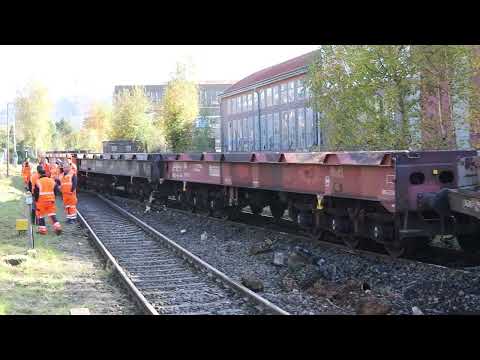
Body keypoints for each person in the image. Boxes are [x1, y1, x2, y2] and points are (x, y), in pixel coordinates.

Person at [34, 168, 62, 235]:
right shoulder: (51, 181)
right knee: (52, 214)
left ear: (39, 174)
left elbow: (36, 193)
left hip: (41, 201)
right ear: (45, 174)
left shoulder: (38, 181)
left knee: (41, 215)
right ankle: (58, 227)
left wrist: (36, 201)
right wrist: (53, 197)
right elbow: (56, 190)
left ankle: (43, 231)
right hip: (51, 201)